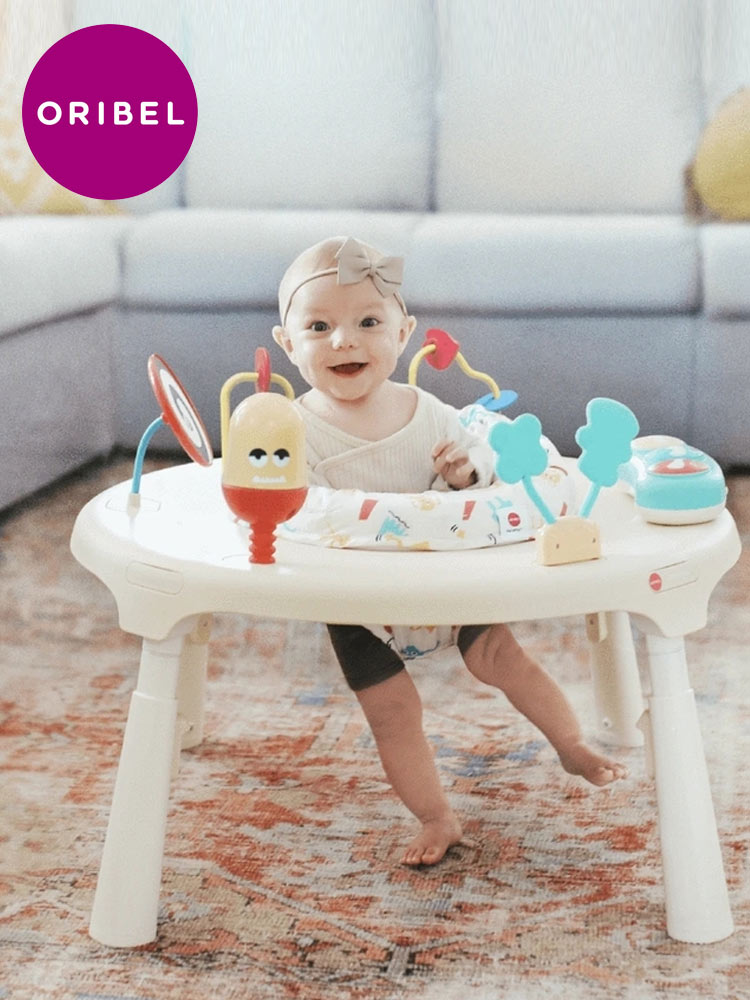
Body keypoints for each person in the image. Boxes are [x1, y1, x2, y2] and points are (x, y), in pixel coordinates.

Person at [272, 236, 627, 867]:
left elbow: (473, 476)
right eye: (319, 326)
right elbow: (298, 508)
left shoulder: (429, 412)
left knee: (502, 658)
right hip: (360, 600)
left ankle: (570, 743)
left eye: (368, 322)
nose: (343, 341)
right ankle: (436, 816)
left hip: (449, 576)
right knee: (392, 711)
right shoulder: (295, 428)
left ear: (404, 332)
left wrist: (465, 473)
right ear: (287, 344)